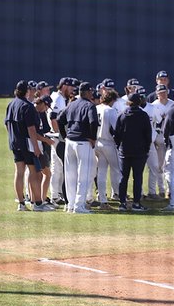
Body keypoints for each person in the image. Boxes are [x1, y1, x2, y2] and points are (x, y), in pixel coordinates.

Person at [4, 80, 53, 211]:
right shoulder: (28, 106)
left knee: (19, 172)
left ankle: (21, 204)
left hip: (14, 143)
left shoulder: (11, 104)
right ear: (27, 91)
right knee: (34, 172)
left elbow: (7, 124)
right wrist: (36, 147)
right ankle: (37, 204)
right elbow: (31, 129)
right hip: (27, 144)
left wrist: (13, 138)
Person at [61, 84, 100, 214]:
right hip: (83, 143)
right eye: (91, 91)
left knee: (70, 175)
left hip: (69, 142)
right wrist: (92, 137)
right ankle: (79, 206)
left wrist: (64, 135)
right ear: (87, 92)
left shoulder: (72, 104)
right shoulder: (89, 105)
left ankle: (71, 205)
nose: (92, 93)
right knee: (83, 175)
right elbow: (93, 122)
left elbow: (60, 119)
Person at [114, 90, 152, 211]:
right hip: (139, 151)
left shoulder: (122, 115)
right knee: (138, 177)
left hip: (124, 151)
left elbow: (117, 134)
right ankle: (136, 203)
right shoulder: (144, 115)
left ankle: (122, 203)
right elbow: (148, 135)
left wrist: (119, 145)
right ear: (139, 102)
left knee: (123, 177)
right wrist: (146, 149)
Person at [48, 78, 76, 205]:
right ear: (64, 86)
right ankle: (55, 195)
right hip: (57, 137)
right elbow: (53, 117)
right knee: (57, 168)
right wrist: (59, 134)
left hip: (57, 136)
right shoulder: (58, 98)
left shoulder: (59, 97)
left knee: (59, 167)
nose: (72, 89)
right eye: (70, 87)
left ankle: (58, 193)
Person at [145, 81, 172, 199]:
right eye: (161, 93)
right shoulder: (154, 104)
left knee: (170, 165)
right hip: (159, 136)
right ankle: (161, 189)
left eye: (164, 92)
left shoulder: (172, 104)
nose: (163, 95)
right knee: (160, 165)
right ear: (157, 94)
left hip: (171, 136)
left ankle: (170, 189)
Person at [95, 87, 121, 206]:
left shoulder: (96, 108)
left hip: (97, 142)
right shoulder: (110, 110)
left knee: (101, 171)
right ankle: (117, 194)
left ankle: (102, 198)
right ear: (112, 100)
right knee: (117, 169)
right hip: (109, 143)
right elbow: (117, 129)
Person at [33, 96, 59, 205]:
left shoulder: (40, 113)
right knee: (44, 174)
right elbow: (33, 133)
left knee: (39, 174)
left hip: (38, 146)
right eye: (47, 106)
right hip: (37, 147)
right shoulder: (34, 113)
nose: (47, 109)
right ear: (43, 103)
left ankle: (38, 199)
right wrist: (46, 140)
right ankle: (40, 200)